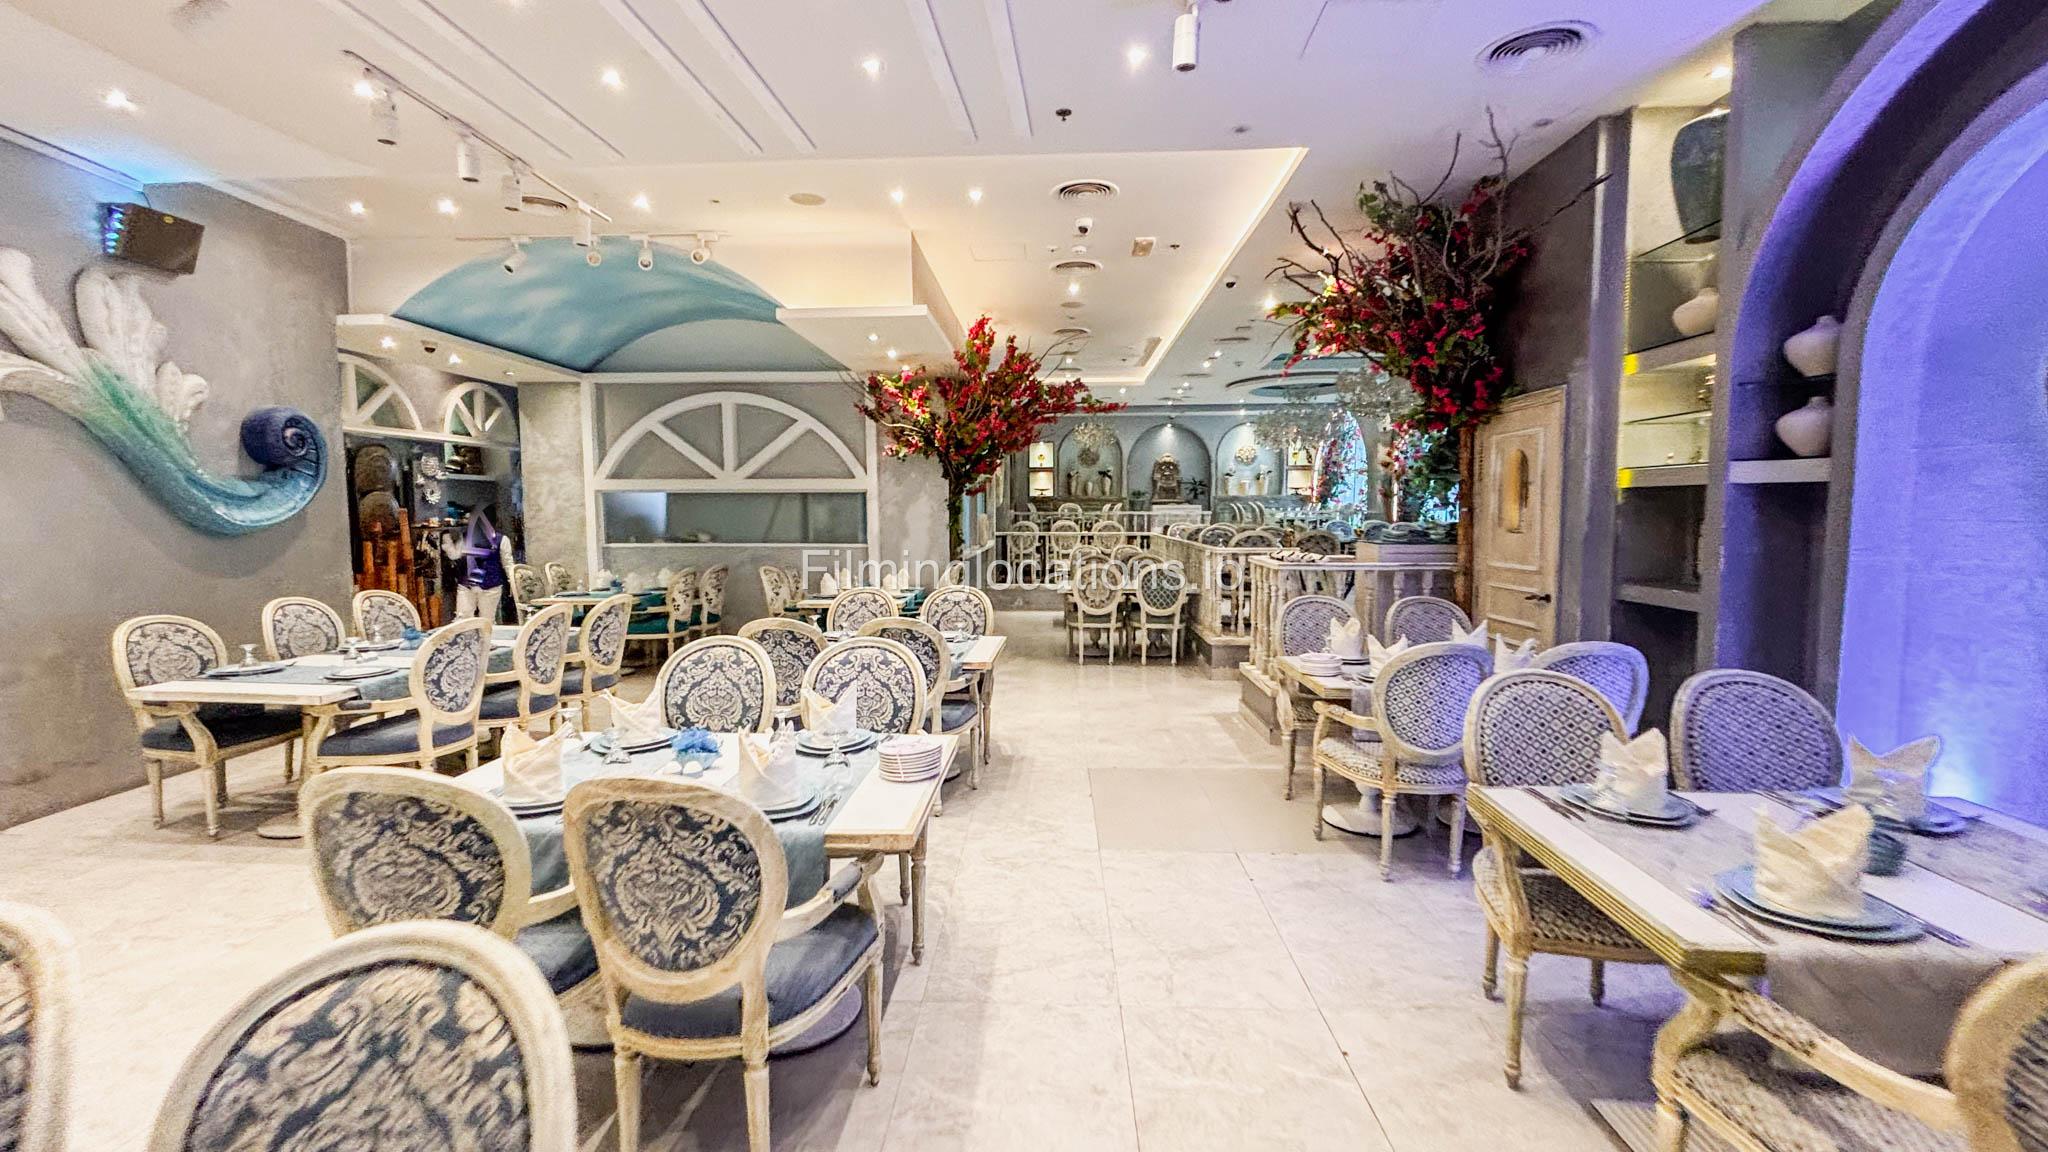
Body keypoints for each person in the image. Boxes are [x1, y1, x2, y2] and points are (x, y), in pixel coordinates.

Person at [441, 505, 513, 622]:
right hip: (466, 585)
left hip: (490, 585)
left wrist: (513, 582)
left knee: (487, 620)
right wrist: (447, 543)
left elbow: (508, 563)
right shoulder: (465, 537)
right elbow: (455, 555)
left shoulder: (501, 539)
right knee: (462, 620)